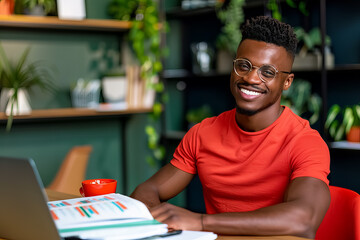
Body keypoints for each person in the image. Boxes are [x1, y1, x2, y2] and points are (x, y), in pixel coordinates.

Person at [130, 16, 330, 239]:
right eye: (244, 65)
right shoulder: (203, 134)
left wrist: (200, 221)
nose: (251, 78)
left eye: (268, 72)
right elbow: (148, 190)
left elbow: (303, 220)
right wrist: (157, 221)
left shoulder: (304, 142)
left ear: (287, 82)